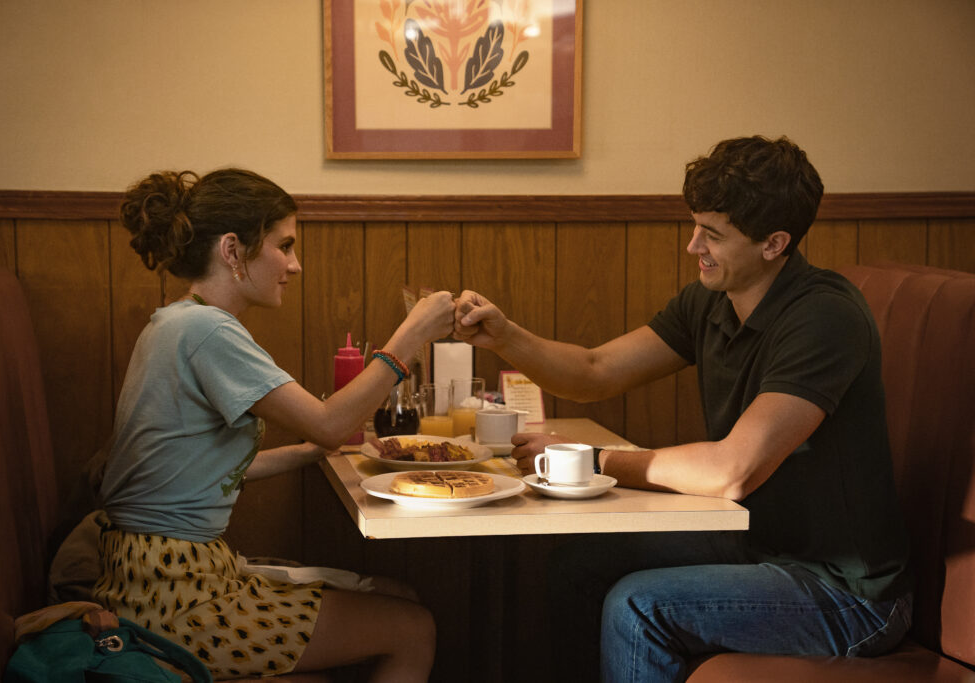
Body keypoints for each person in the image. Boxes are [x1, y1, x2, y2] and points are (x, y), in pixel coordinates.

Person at [453, 136, 913, 682]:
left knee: (639, 605)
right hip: (757, 542)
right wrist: (504, 336)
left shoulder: (824, 317)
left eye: (713, 235)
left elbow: (732, 471)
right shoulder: (712, 300)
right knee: (579, 564)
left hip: (845, 592)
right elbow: (596, 371)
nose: (692, 245)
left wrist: (595, 460)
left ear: (774, 244)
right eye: (695, 225)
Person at [94, 168, 453, 682]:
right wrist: (410, 335)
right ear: (233, 250)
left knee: (397, 600)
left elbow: (201, 473)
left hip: (151, 574)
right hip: (176, 593)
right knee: (412, 627)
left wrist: (312, 452)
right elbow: (330, 422)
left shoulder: (176, 320)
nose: (295, 264)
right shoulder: (206, 329)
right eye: (284, 246)